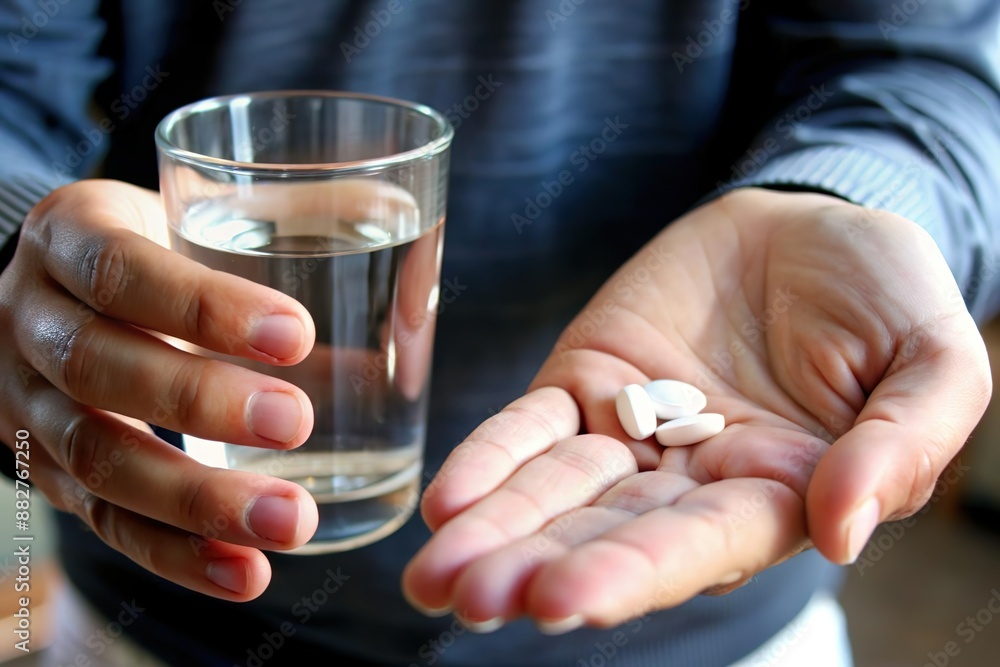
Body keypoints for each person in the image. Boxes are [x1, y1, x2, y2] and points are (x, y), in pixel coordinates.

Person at [1, 0, 997, 665]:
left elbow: (928, 62)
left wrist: (863, 199)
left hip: (701, 631)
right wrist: (20, 252)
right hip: (169, 621)